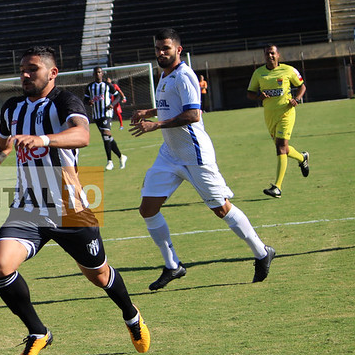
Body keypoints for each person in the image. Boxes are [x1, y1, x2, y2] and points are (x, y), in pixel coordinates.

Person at [0, 46, 150, 355]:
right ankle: (38, 332)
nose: (25, 75)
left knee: (99, 275)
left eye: (32, 69)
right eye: (22, 69)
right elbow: (1, 149)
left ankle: (131, 315)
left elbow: (83, 135)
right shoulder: (12, 108)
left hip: (71, 209)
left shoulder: (65, 102)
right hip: (28, 208)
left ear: (52, 73)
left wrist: (43, 139)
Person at [129, 28, 275, 290]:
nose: (161, 53)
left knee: (221, 209)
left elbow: (194, 115)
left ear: (178, 50)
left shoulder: (185, 76)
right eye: (158, 49)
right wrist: (148, 111)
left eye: (166, 48)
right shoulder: (164, 74)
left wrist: (156, 124)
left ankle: (262, 252)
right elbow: (172, 105)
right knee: (147, 209)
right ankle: (173, 266)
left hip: (195, 155)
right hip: (170, 155)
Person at [246, 44, 309, 198]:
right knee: (284, 148)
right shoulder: (258, 73)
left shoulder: (289, 70)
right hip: (269, 115)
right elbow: (250, 93)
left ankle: (277, 187)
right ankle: (302, 158)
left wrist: (296, 99)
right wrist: (258, 97)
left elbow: (302, 87)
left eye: (273, 53)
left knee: (280, 147)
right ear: (264, 56)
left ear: (278, 55)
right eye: (267, 54)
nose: (270, 56)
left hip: (286, 113)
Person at [84, 67, 127, 170]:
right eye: (96, 73)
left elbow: (118, 97)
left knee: (105, 135)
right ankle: (121, 157)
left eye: (99, 72)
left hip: (107, 114)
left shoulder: (108, 85)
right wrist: (88, 102)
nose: (97, 74)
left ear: (102, 73)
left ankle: (110, 161)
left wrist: (112, 104)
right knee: (108, 138)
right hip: (96, 115)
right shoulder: (90, 87)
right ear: (93, 74)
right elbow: (85, 99)